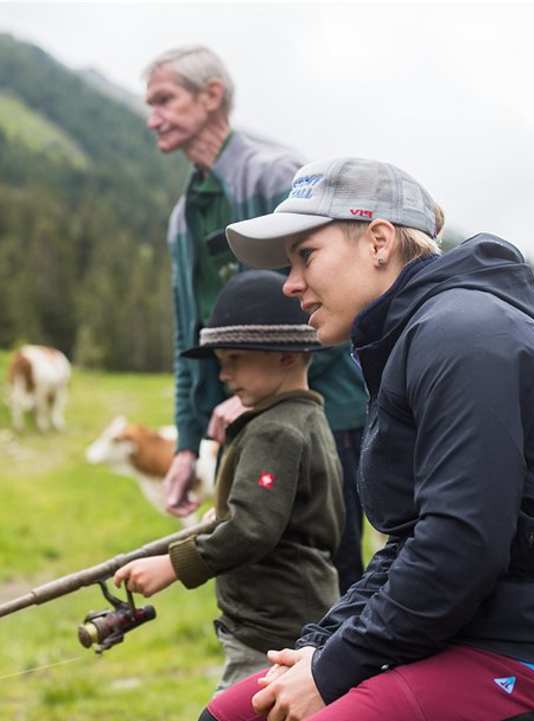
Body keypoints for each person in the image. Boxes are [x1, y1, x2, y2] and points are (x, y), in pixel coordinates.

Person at [191, 157, 534, 721]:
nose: (291, 284)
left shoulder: (463, 336)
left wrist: (337, 670)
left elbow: (461, 546)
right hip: (479, 640)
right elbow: (414, 541)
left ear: (379, 242)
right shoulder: (411, 339)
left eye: (305, 256)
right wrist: (321, 647)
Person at [143, 46, 369, 593]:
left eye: (165, 100)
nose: (152, 117)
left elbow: (337, 297)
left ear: (212, 95)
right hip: (246, 412)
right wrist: (186, 446)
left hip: (327, 414)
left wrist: (266, 390)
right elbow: (187, 334)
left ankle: (343, 675)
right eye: (149, 104)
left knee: (329, 570)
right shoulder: (184, 217)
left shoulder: (277, 177)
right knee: (259, 563)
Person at [114, 270, 343, 692]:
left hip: (272, 633)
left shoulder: (276, 430)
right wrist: (227, 513)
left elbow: (252, 529)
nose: (224, 375)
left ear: (286, 356)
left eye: (235, 359)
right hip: (290, 616)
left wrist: (172, 564)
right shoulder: (307, 417)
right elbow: (274, 513)